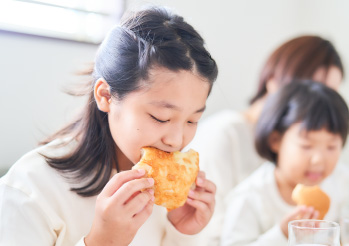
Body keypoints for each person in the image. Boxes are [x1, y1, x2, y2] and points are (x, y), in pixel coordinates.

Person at [0, 6, 218, 246]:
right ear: (106, 96)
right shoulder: (30, 189)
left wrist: (182, 232)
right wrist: (101, 242)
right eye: (160, 117)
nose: (176, 140)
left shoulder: (167, 196)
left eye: (192, 121)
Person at [187, 35, 344, 245]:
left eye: (331, 92)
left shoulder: (337, 180)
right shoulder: (227, 138)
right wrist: (281, 234)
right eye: (310, 86)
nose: (320, 102)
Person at [221, 80, 349, 245]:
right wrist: (282, 233)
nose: (318, 159)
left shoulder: (342, 181)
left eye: (331, 147)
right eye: (306, 146)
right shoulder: (250, 197)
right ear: (276, 140)